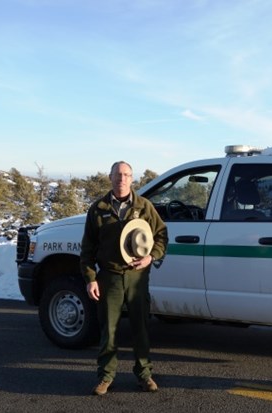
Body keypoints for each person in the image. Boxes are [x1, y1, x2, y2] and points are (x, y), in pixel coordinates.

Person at [80, 161, 168, 396]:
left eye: (127, 175)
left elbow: (161, 236)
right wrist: (90, 278)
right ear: (110, 177)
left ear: (132, 179)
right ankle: (106, 376)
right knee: (108, 331)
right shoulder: (98, 209)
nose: (122, 179)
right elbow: (87, 248)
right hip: (109, 277)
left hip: (137, 278)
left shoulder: (145, 207)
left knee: (141, 327)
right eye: (118, 174)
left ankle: (144, 374)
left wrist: (151, 257)